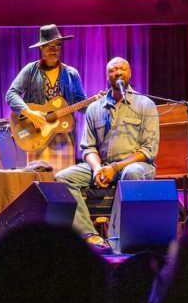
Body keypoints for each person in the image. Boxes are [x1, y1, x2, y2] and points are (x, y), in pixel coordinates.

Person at [55, 57, 159, 252]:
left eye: (122, 69)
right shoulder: (95, 108)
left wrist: (115, 168)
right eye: (113, 70)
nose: (118, 72)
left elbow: (148, 150)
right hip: (103, 165)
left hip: (134, 165)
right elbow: (88, 148)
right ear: (106, 76)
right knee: (62, 178)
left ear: (130, 73)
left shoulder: (145, 105)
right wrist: (97, 168)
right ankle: (89, 235)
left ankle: (122, 237)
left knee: (132, 172)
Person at [5, 24, 86, 171]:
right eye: (49, 46)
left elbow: (82, 104)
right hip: (36, 135)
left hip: (64, 135)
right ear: (41, 48)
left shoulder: (71, 73)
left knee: (64, 180)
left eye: (57, 45)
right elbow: (11, 94)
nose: (54, 50)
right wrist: (30, 113)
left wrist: (97, 103)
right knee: (39, 179)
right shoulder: (30, 70)